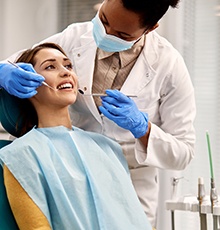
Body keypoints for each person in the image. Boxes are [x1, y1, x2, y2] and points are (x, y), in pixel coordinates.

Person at [0, 0, 196, 226]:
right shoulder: (24, 155)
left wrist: (143, 129)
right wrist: (3, 72)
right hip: (67, 171)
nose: (105, 34)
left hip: (129, 180)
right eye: (103, 20)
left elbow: (184, 151)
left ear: (150, 29)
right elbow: (17, 64)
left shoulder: (169, 65)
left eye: (122, 34)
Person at [0, 43, 152, 230]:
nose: (66, 72)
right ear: (27, 85)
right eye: (50, 67)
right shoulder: (20, 155)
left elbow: (135, 217)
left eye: (68, 65)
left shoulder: (108, 148)